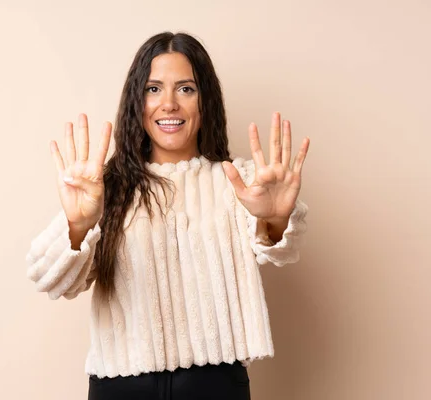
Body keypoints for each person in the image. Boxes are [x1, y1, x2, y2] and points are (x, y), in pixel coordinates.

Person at [26, 31, 310, 400]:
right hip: (120, 388)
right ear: (136, 101)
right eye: (154, 89)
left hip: (215, 387)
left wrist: (275, 219)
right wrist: (79, 225)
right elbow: (51, 279)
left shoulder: (239, 182)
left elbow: (281, 249)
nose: (170, 104)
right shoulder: (105, 188)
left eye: (186, 89)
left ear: (205, 101)